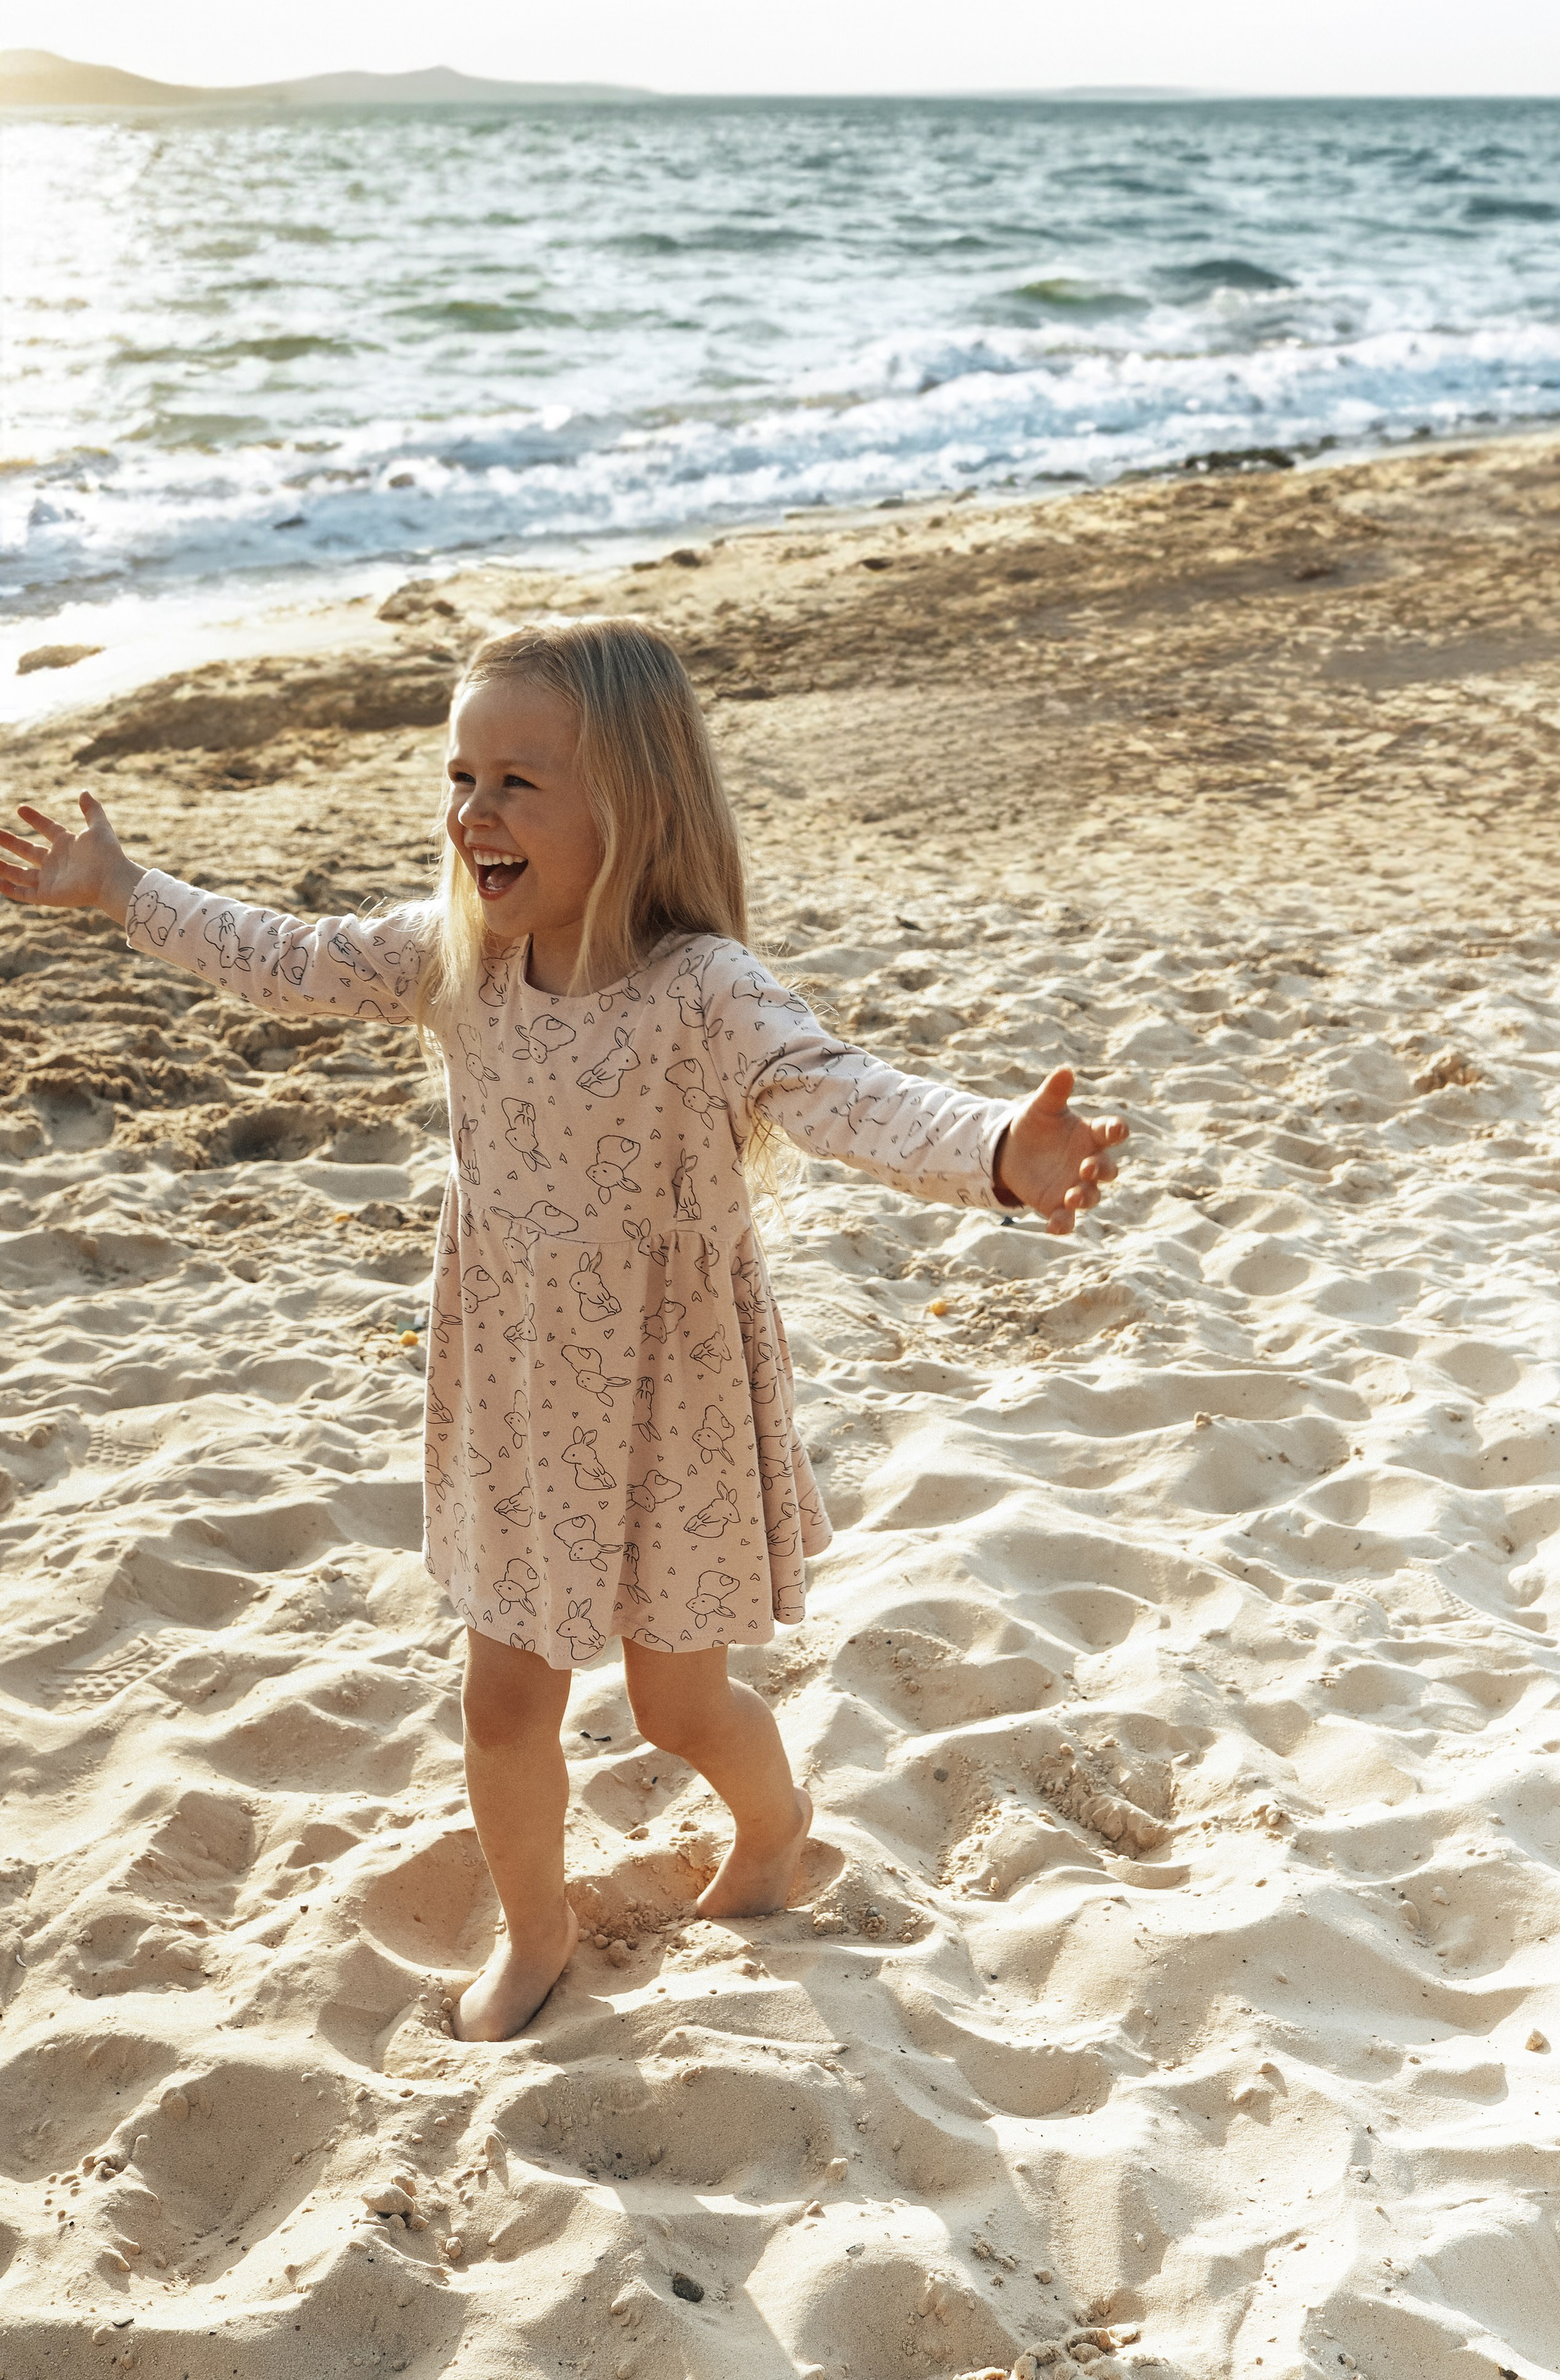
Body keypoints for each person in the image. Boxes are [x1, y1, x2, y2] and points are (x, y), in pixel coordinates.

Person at [0, 619, 1129, 2041]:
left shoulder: (705, 990)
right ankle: (537, 1931)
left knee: (679, 1708)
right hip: (518, 1389)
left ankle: (774, 1828)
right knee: (501, 1702)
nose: (476, 812)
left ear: (633, 803)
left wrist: (996, 1152)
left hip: (670, 1395)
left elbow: (843, 1091)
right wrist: (124, 889)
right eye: (461, 778)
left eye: (518, 783)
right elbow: (286, 955)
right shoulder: (456, 958)